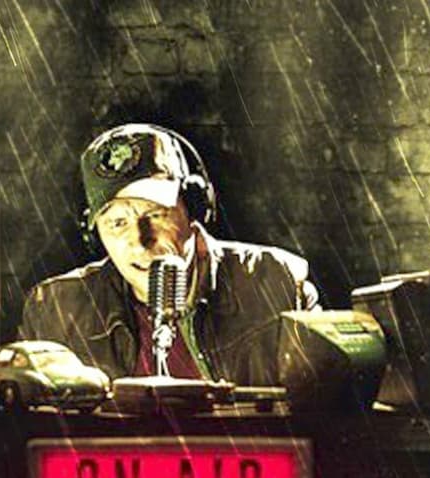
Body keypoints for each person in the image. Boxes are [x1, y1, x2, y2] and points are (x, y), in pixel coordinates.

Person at [18, 123, 321, 386]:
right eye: (117, 223)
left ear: (194, 208)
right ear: (95, 236)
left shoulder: (277, 286)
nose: (140, 241)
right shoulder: (54, 312)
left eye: (155, 214)